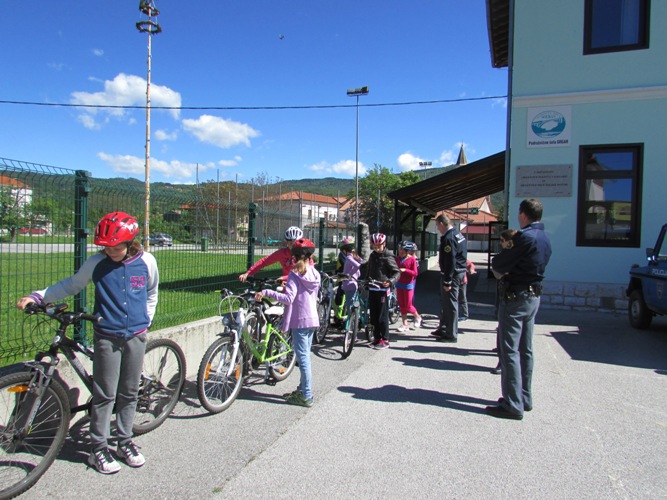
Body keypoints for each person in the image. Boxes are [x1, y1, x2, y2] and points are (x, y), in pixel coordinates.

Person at [16, 211, 159, 474]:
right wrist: (38, 296)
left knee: (129, 392)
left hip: (136, 335)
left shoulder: (147, 261)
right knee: (105, 394)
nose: (110, 252)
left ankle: (125, 441)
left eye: (116, 247)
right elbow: (71, 285)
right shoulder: (96, 263)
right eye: (106, 247)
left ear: (130, 242)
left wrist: (146, 321)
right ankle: (98, 448)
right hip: (107, 336)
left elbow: (151, 292)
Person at [486, 199, 552, 420]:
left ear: (523, 214)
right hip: (533, 296)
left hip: (516, 297)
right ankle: (524, 398)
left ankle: (513, 404)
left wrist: (505, 266)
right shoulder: (544, 237)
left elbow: (499, 263)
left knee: (509, 350)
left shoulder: (524, 237)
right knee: (526, 349)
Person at [255, 238, 320, 407]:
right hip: (313, 319)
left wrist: (267, 292)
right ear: (309, 256)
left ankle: (306, 395)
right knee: (305, 356)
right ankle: (302, 389)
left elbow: (288, 299)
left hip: (300, 321)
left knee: (303, 359)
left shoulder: (294, 274)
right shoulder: (315, 273)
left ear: (294, 257)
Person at [431, 214, 467, 343]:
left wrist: (447, 281)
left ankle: (451, 334)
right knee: (446, 303)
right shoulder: (457, 234)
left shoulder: (449, 238)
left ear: (442, 224)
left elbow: (450, 260)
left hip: (453, 274)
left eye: (437, 225)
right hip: (458, 272)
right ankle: (443, 328)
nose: (437, 228)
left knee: (450, 304)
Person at [364, 233, 401, 349]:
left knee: (382, 316)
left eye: (378, 246)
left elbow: (397, 272)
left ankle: (385, 339)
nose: (376, 249)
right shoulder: (372, 256)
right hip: (373, 288)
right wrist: (366, 281)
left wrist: (390, 281)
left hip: (383, 289)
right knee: (374, 315)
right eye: (374, 247)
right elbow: (369, 269)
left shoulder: (388, 256)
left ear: (384, 244)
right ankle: (376, 338)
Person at [490, 228, 518, 375]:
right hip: (504, 292)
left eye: (502, 241)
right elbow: (496, 270)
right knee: (503, 327)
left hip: (510, 295)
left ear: (509, 241)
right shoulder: (508, 253)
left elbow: (498, 270)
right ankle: (503, 356)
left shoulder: (512, 254)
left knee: (507, 331)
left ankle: (503, 363)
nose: (500, 243)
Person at [239, 226, 303, 282]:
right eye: (290, 243)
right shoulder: (282, 253)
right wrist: (248, 273)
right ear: (287, 242)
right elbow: (264, 262)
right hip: (287, 286)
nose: (293, 245)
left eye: (295, 243)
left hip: (302, 287)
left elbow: (304, 273)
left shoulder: (304, 254)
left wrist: (284, 278)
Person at [395, 240, 422, 331]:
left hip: (408, 285)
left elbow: (415, 273)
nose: (400, 252)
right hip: (399, 284)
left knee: (408, 305)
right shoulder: (397, 259)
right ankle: (405, 324)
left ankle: (417, 316)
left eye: (402, 251)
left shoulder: (412, 259)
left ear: (407, 251)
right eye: (399, 250)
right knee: (402, 305)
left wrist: (405, 270)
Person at [333, 236, 355, 324]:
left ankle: (341, 315)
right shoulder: (344, 255)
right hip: (344, 278)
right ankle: (338, 315)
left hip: (348, 279)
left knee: (342, 295)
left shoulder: (349, 255)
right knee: (340, 294)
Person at [339, 238, 362, 314]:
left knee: (350, 306)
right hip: (355, 282)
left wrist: (349, 274)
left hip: (348, 283)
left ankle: (350, 320)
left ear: (345, 250)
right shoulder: (355, 256)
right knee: (354, 303)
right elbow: (360, 264)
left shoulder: (349, 257)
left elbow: (357, 266)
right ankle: (356, 318)